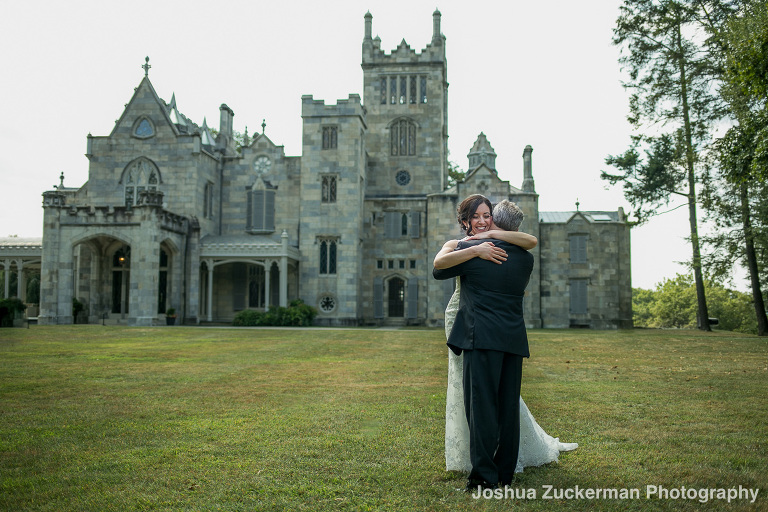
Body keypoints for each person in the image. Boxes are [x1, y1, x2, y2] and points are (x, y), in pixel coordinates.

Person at [433, 195, 576, 489]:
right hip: (512, 338)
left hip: (481, 338)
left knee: (482, 410)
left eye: (488, 217)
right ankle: (505, 474)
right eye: (478, 217)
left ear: (496, 222)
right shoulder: (526, 259)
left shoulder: (473, 252)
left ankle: (484, 477)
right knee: (508, 408)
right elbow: (529, 242)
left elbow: (439, 270)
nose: (484, 222)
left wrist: (475, 248)